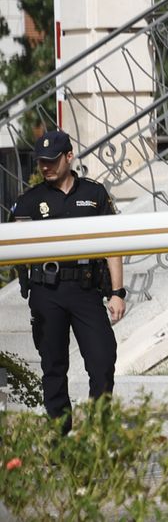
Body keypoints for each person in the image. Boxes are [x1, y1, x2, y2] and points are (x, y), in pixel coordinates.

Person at [7, 130, 125, 431]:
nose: (45, 166)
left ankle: (99, 426)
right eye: (41, 162)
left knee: (103, 357)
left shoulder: (94, 194)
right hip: (47, 292)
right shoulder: (30, 201)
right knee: (54, 367)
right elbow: (10, 246)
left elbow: (113, 244)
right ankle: (61, 435)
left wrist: (117, 292)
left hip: (86, 290)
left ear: (69, 157)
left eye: (52, 160)